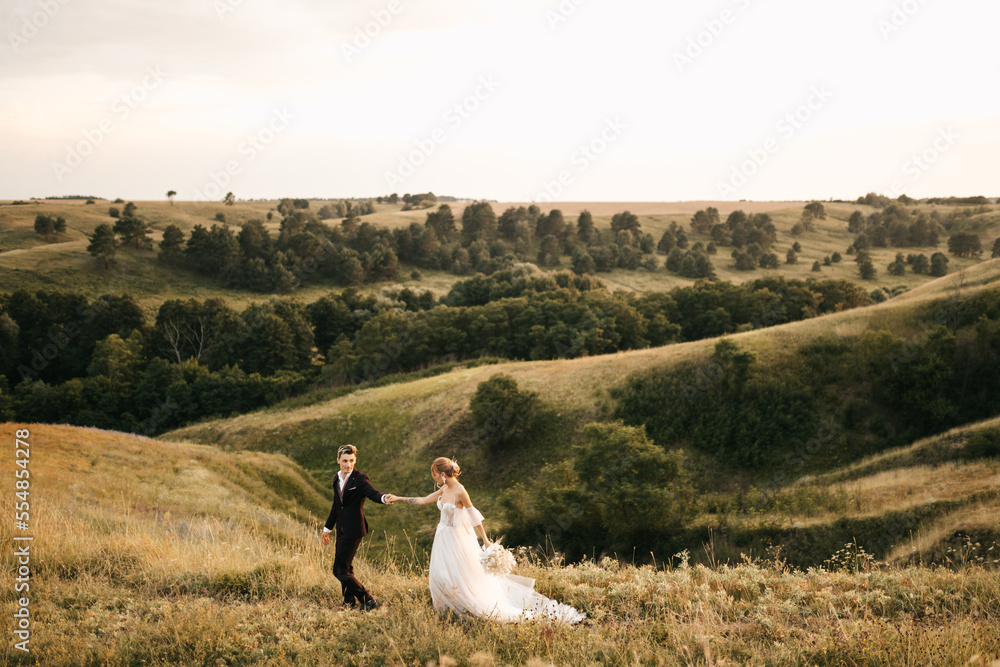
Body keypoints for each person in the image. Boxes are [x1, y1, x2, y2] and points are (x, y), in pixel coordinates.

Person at [386, 457, 585, 623]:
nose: (434, 478)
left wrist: (486, 541)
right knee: (439, 572)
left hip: (457, 539)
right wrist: (400, 498)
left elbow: (473, 516)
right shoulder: (444, 489)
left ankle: (463, 607)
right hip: (443, 537)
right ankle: (445, 609)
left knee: (459, 575)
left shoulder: (460, 491)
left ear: (444, 475)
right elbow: (423, 500)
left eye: (435, 475)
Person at [320, 444, 394, 611]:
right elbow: (336, 505)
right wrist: (327, 528)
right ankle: (348, 602)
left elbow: (372, 493)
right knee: (346, 568)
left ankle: (367, 599)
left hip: (354, 530)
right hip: (341, 530)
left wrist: (384, 498)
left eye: (351, 461)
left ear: (355, 460)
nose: (348, 464)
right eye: (345, 461)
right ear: (338, 460)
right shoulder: (336, 478)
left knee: (338, 570)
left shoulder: (360, 479)